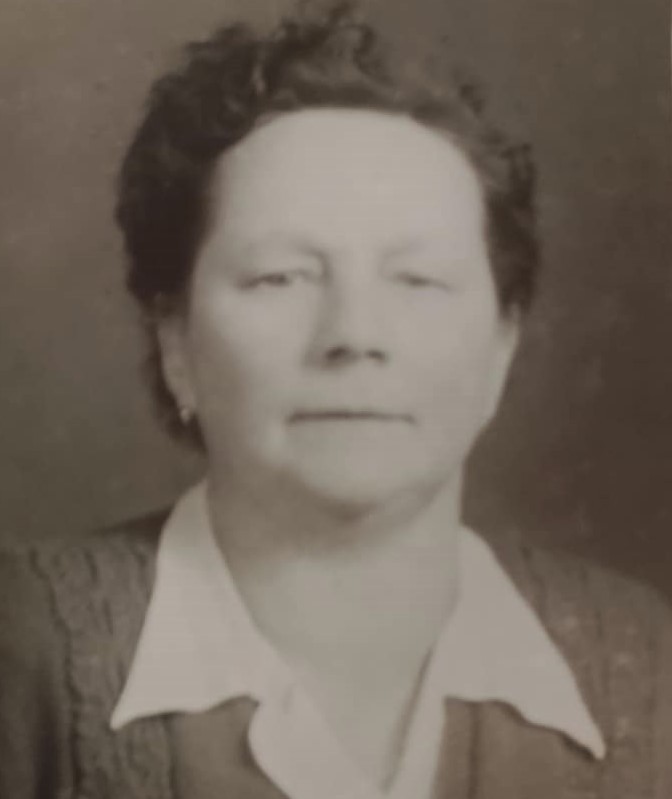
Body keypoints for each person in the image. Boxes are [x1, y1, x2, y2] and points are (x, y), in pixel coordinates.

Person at [1, 3, 671, 798]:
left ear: (501, 346)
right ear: (176, 341)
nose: (355, 334)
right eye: (281, 276)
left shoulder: (646, 667)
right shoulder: (22, 650)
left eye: (418, 279)